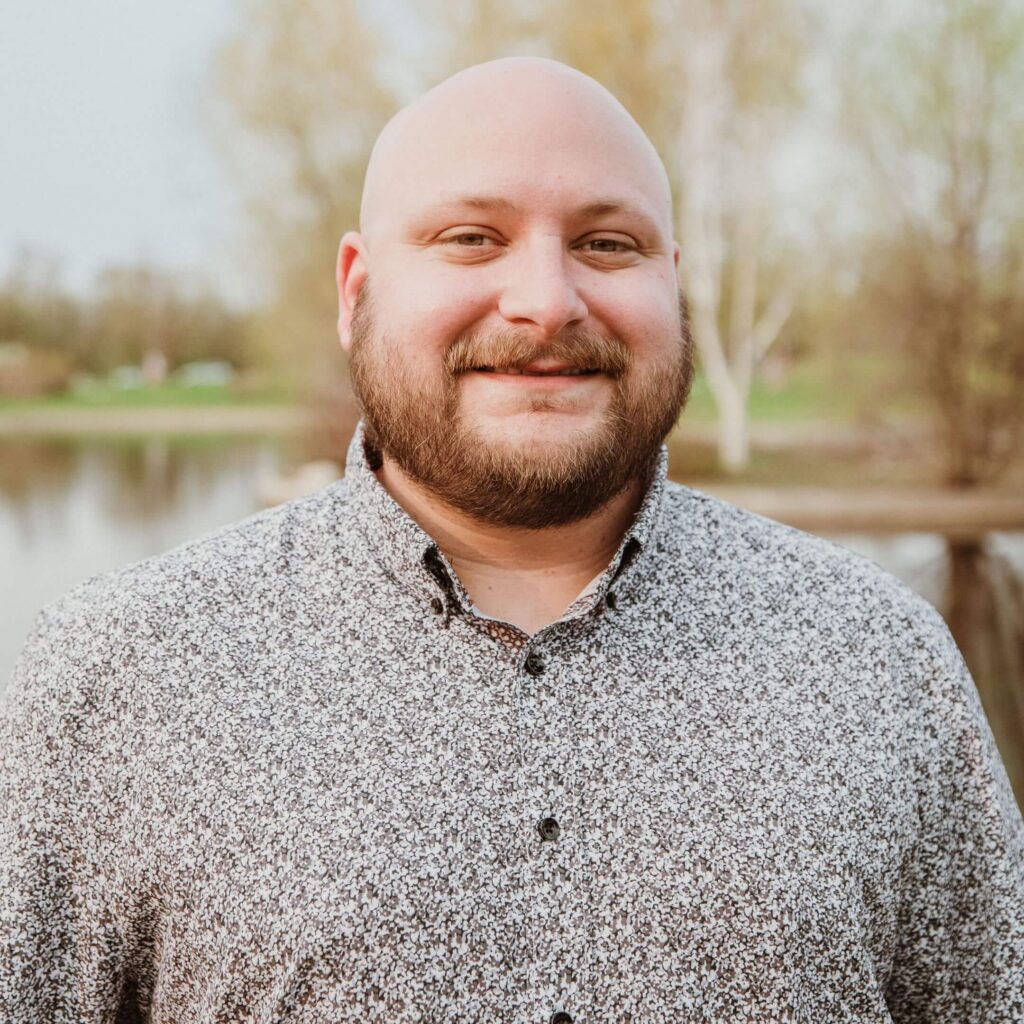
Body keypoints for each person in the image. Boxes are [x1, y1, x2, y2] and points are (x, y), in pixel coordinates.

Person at [1, 56, 1021, 1024]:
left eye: (606, 243)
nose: (545, 300)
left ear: (673, 282)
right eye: (471, 238)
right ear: (356, 292)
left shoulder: (882, 660)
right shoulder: (112, 677)